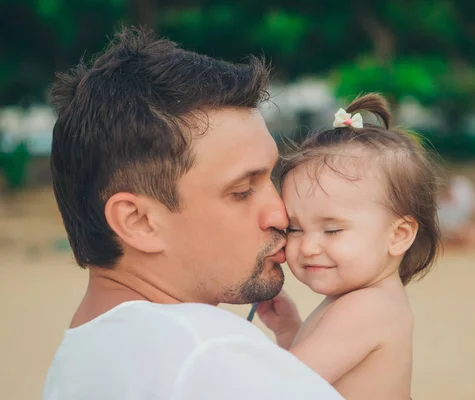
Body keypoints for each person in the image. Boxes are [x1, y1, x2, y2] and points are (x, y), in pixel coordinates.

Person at [42, 27, 342, 400]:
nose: (281, 214)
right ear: (138, 221)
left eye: (272, 179)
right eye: (242, 191)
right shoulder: (208, 352)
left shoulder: (80, 356)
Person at [258, 93, 441, 399]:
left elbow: (285, 387)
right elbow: (319, 383)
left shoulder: (366, 308)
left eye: (332, 230)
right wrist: (290, 331)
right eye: (295, 228)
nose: (309, 246)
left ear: (398, 235)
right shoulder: (366, 299)